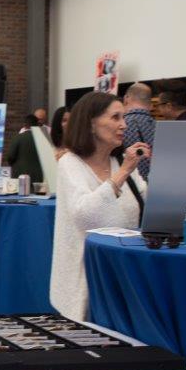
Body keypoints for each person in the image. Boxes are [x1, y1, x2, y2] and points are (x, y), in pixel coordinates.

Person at [49, 92, 151, 319]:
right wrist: (123, 173)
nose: (124, 125)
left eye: (123, 118)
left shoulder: (118, 162)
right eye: (115, 118)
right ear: (91, 124)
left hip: (124, 274)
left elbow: (148, 201)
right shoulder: (70, 163)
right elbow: (86, 216)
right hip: (90, 279)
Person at [121, 82, 157, 180]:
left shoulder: (119, 127)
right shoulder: (161, 128)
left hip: (129, 186)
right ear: (150, 105)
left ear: (126, 99)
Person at [4, 114, 45, 184]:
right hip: (37, 178)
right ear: (36, 125)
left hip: (19, 177)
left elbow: (10, 156)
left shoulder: (18, 138)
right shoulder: (42, 140)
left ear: (25, 125)